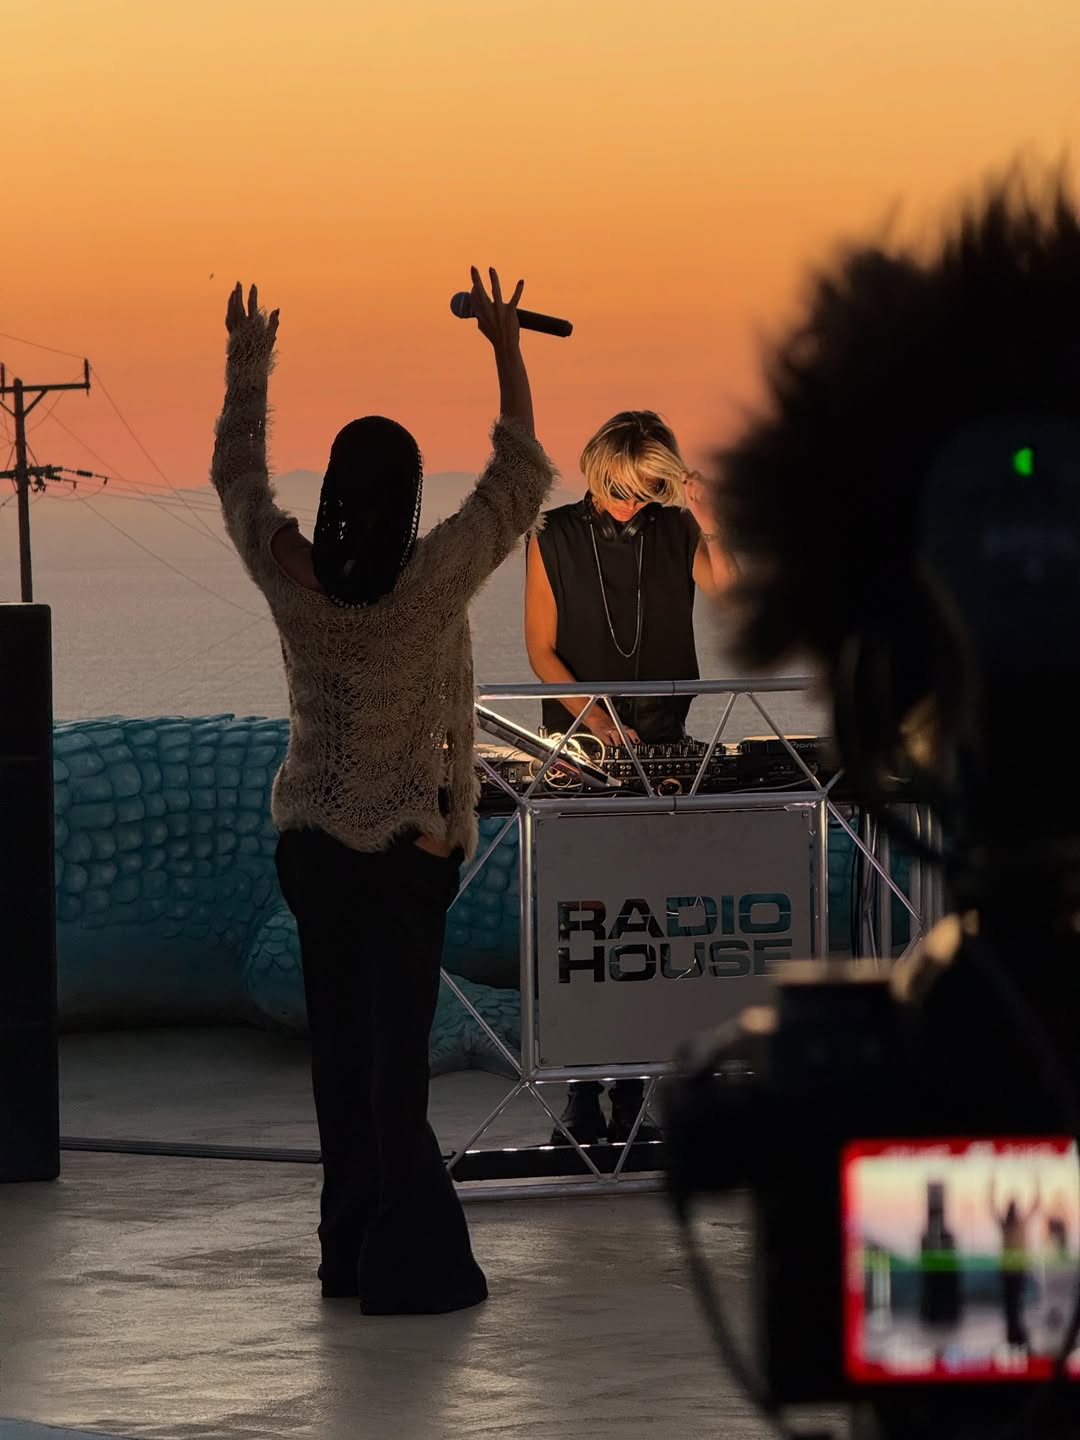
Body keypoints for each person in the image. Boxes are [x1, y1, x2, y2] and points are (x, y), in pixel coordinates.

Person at [211, 269, 556, 1313]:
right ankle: (410, 1267)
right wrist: (504, 344)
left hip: (314, 845)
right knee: (394, 1068)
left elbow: (237, 481)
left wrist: (248, 367)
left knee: (340, 1061)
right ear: (405, 500)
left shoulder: (290, 571)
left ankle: (346, 1249)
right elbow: (519, 478)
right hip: (407, 851)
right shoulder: (431, 582)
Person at [523, 410, 734, 1146]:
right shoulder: (551, 535)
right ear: (596, 470)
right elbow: (543, 652)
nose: (627, 502)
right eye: (619, 487)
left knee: (650, 927)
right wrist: (601, 723)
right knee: (585, 928)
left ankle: (639, 1091)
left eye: (645, 490)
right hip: (584, 750)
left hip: (666, 746)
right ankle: (582, 1094)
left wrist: (703, 508)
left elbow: (731, 591)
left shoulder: (676, 529)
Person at [989, 1177, 1041, 1350]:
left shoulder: (1015, 1224)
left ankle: (1015, 1336)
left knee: (1013, 1304)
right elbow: (992, 1207)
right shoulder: (1010, 1224)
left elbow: (1035, 1205)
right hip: (1011, 1270)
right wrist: (992, 1185)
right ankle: (1015, 1336)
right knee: (1012, 1304)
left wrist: (1036, 1182)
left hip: (1014, 1269)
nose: (1012, 1210)